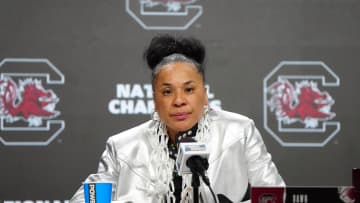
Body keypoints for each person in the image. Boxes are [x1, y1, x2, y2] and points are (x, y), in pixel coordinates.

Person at [70, 34, 285, 203]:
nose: (179, 100)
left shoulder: (239, 132)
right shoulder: (123, 146)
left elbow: (275, 196)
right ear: (155, 99)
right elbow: (86, 200)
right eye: (167, 92)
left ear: (205, 93)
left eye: (189, 89)